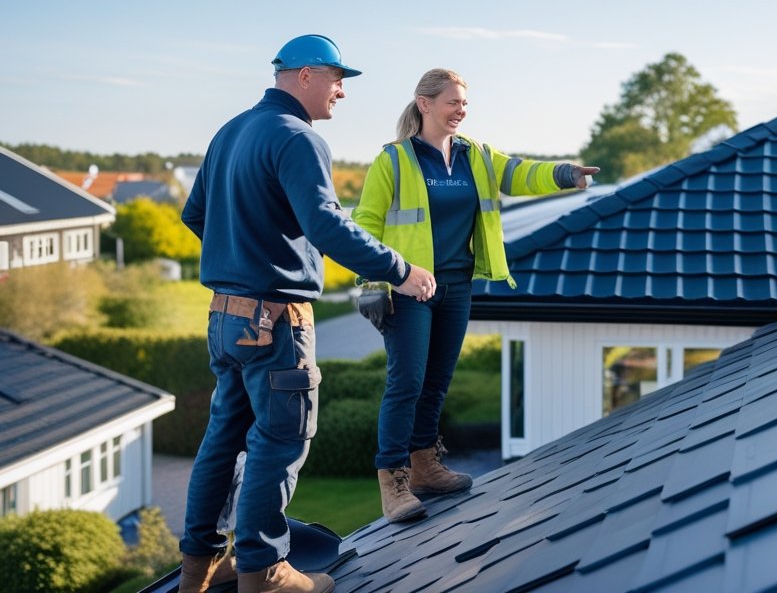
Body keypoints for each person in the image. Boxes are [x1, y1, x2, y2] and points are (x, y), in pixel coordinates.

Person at [177, 35, 437, 593]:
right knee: (280, 441)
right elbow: (326, 226)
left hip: (225, 317)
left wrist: (243, 258)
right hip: (275, 320)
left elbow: (196, 214)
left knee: (223, 439)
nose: (342, 91)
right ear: (304, 75)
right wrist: (401, 270)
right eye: (337, 79)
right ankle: (266, 571)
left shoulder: (231, 131)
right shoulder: (297, 137)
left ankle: (200, 567)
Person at [352, 68, 598, 523]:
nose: (461, 110)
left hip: (457, 285)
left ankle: (425, 467)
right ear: (425, 104)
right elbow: (365, 223)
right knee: (407, 383)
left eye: (464, 103)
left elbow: (520, 173)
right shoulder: (395, 160)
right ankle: (393, 480)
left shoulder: (476, 156)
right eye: (453, 102)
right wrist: (375, 281)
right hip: (409, 289)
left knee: (437, 380)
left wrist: (566, 173)